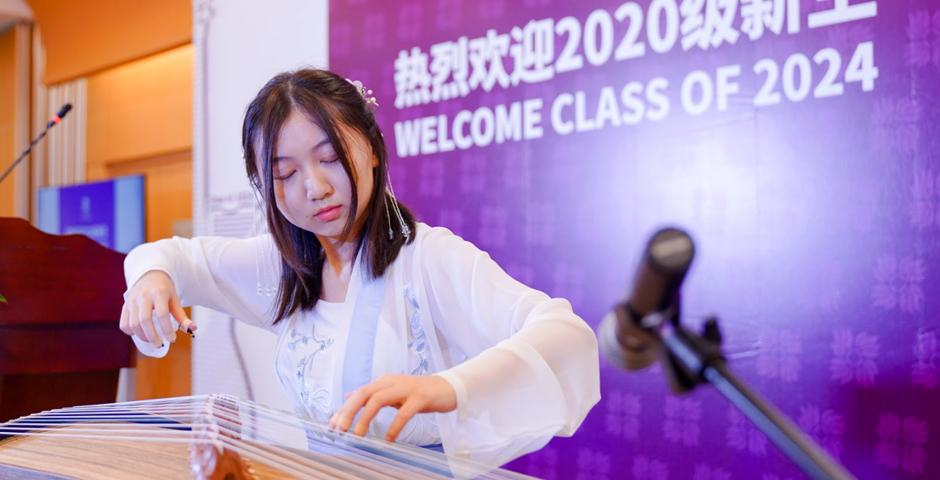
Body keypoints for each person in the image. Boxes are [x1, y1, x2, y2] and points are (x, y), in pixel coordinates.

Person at [119, 68, 600, 467]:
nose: (314, 187)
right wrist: (150, 279)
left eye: (329, 158)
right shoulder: (283, 267)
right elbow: (170, 257)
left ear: (370, 148)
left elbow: (565, 334)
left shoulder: (427, 258)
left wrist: (449, 386)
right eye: (285, 174)